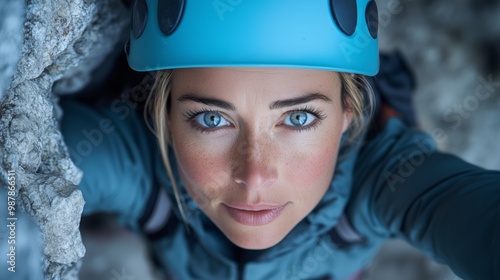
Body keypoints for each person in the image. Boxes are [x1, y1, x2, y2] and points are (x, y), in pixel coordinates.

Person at [60, 1, 500, 279]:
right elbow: (28, 177)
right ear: (166, 114)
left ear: (349, 113)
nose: (254, 177)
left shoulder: (386, 176)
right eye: (212, 119)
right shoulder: (137, 159)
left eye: (299, 117)